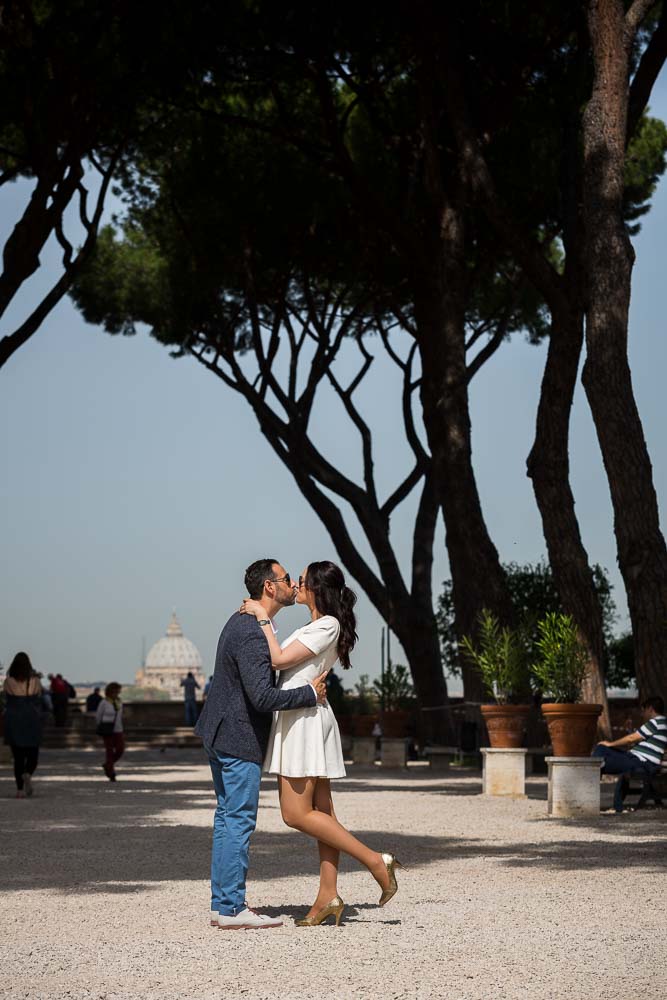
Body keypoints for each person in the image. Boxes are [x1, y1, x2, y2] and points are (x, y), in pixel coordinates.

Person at [242, 559, 402, 928]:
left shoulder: (327, 624)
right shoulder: (315, 625)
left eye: (300, 581)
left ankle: (377, 861)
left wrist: (261, 618)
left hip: (305, 722)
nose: (295, 586)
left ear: (316, 589)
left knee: (294, 814)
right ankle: (327, 895)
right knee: (324, 815)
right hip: (303, 715)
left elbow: (279, 660)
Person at [195, 558, 329, 931]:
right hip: (238, 736)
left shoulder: (242, 622)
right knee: (237, 820)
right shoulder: (252, 630)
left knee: (226, 819)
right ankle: (232, 906)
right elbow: (263, 698)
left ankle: (222, 904)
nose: (293, 585)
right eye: (287, 579)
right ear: (270, 587)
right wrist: (309, 694)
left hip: (220, 732)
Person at [592, 695, 667, 812]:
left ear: (650, 709)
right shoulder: (663, 723)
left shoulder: (655, 723)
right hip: (639, 759)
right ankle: (599, 766)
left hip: (640, 761)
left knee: (602, 748)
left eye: (644, 711)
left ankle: (597, 770)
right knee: (601, 750)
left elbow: (632, 738)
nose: (643, 715)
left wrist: (611, 744)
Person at [3, 652, 44, 799]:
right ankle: (28, 773)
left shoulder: (8, 681)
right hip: (31, 718)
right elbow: (39, 696)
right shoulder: (35, 681)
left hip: (14, 718)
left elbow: (7, 697)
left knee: (18, 757)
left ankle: (19, 790)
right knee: (33, 754)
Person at [96, 682, 124, 781]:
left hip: (118, 728)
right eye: (115, 690)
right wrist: (101, 726)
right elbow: (98, 716)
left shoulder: (119, 701)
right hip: (107, 729)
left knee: (120, 749)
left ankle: (108, 765)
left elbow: (120, 715)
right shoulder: (104, 702)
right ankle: (111, 773)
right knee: (109, 751)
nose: (117, 692)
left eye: (118, 691)